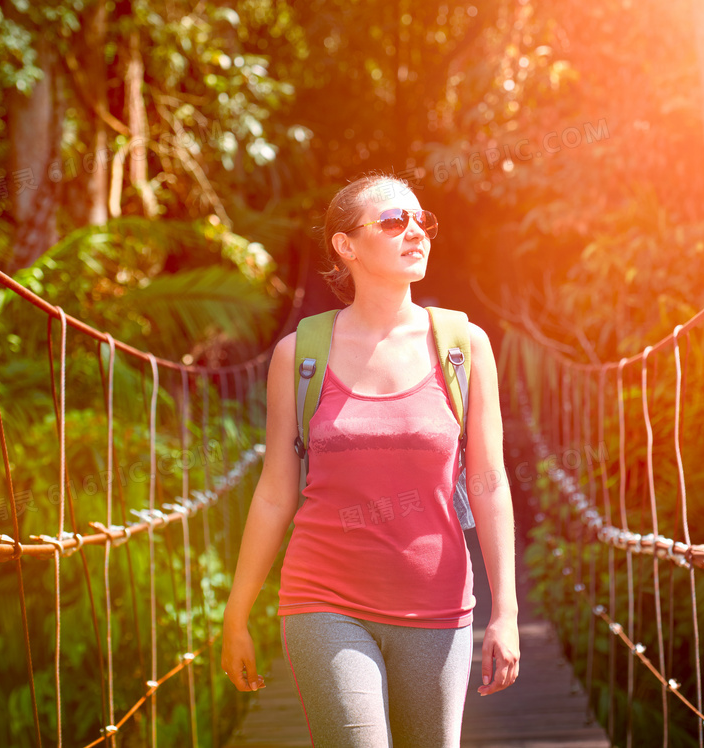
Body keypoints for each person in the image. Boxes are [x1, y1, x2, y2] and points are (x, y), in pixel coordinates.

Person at [221, 172, 520, 747]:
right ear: (345, 245)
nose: (415, 232)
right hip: (324, 599)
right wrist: (239, 611)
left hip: (437, 604)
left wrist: (504, 613)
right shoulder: (300, 354)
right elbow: (276, 491)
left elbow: (487, 482)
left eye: (421, 220)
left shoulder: (463, 345)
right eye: (393, 221)